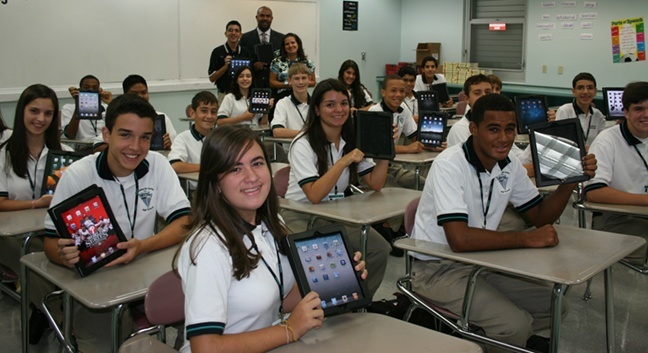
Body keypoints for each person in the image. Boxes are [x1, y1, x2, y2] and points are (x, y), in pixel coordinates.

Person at [411, 93, 597, 352]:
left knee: (554, 307)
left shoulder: (509, 165)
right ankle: (496, 339)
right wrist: (526, 238)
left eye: (510, 129)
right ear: (474, 129)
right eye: (493, 129)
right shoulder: (449, 165)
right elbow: (460, 240)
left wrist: (570, 180)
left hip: (483, 261)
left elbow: (541, 217)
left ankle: (489, 341)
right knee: (513, 326)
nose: (504, 138)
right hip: (437, 269)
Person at [176, 125, 368, 352]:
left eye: (257, 163)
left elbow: (276, 300)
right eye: (235, 169)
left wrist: (336, 277)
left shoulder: (270, 222)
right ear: (216, 182)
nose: (252, 177)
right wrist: (289, 329)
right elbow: (205, 347)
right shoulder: (208, 247)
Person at [43, 94, 191, 353]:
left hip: (146, 274)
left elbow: (184, 221)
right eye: (125, 135)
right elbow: (49, 242)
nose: (135, 146)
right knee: (102, 345)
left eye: (145, 137)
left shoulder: (156, 164)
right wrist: (62, 254)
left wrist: (143, 246)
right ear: (106, 134)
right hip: (98, 285)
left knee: (207, 314)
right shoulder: (78, 175)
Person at [283, 78, 391, 298]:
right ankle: (327, 304)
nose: (338, 110)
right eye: (330, 104)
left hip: (334, 213)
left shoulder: (350, 140)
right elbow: (313, 195)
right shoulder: (303, 143)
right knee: (329, 259)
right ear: (317, 109)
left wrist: (384, 148)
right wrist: (343, 161)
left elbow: (376, 183)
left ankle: (358, 301)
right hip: (300, 213)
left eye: (343, 103)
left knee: (379, 249)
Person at [0, 84, 72, 344]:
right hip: (9, 234)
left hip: (46, 228)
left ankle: (40, 310)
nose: (40, 119)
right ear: (21, 112)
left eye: (48, 113)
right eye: (34, 111)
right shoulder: (5, 152)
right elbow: (0, 202)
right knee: (33, 261)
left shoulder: (62, 153)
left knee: (57, 257)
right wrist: (36, 203)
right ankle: (62, 322)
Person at [585, 81, 648, 265]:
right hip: (615, 218)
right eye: (639, 109)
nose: (646, 115)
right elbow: (594, 192)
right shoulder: (607, 141)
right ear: (626, 112)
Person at [95, 74, 178, 151]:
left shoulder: (161, 117)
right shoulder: (119, 118)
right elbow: (97, 146)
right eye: (134, 93)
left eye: (143, 92)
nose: (140, 96)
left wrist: (169, 146)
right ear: (125, 95)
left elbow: (175, 148)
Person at [168, 91, 218, 174]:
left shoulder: (221, 137)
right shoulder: (183, 138)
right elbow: (175, 165)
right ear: (192, 113)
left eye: (213, 112)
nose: (209, 116)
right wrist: (208, 167)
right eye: (204, 111)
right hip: (195, 186)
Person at [554, 72, 608, 147]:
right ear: (573, 91)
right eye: (580, 88)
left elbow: (604, 141)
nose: (585, 92)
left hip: (592, 155)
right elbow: (560, 142)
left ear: (595, 91)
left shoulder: (598, 115)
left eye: (590, 88)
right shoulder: (565, 111)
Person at [240, 6, 285, 89]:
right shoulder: (245, 38)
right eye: (262, 15)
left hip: (276, 86)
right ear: (257, 18)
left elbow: (285, 61)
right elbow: (241, 61)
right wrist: (252, 66)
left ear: (272, 18)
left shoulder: (281, 38)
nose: (265, 18)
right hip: (252, 85)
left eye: (268, 16)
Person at [208, 20, 252, 102]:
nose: (233, 33)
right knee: (224, 115)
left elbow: (250, 74)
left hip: (243, 93)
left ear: (240, 34)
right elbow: (211, 78)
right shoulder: (217, 51)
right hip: (224, 93)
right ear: (226, 33)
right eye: (230, 30)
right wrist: (225, 67)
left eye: (236, 31)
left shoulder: (245, 52)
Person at [61, 74, 112, 141]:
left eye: (94, 88)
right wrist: (79, 104)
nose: (90, 90)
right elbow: (70, 135)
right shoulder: (68, 108)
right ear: (80, 89)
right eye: (86, 87)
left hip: (102, 145)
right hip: (81, 147)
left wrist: (110, 103)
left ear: (99, 90)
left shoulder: (106, 108)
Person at [271, 63, 310, 140]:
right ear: (289, 81)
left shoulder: (317, 103)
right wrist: (307, 133)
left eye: (304, 78)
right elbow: (277, 132)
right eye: (296, 78)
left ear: (309, 79)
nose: (301, 82)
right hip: (291, 150)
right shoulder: (283, 103)